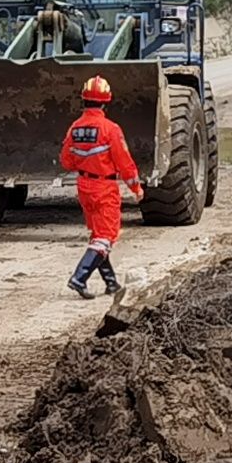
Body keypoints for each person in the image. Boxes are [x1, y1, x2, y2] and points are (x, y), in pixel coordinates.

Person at [58, 74, 144, 297]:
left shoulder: (74, 128)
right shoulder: (110, 129)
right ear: (106, 101)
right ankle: (80, 277)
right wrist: (136, 187)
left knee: (98, 235)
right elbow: (124, 162)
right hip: (104, 188)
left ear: (84, 99)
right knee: (106, 236)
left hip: (84, 186)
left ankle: (111, 282)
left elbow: (66, 161)